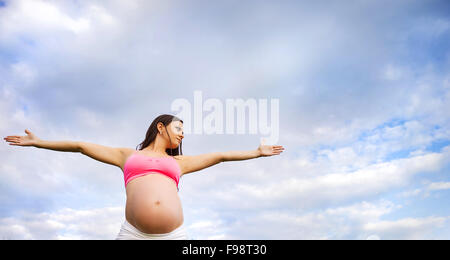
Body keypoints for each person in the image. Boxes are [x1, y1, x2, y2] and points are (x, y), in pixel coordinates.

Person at [3, 114, 285, 239]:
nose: (183, 133)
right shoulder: (128, 156)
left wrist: (256, 152)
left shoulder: (181, 163)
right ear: (161, 127)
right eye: (179, 127)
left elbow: (222, 156)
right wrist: (39, 142)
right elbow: (80, 146)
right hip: (133, 234)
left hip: (175, 235)